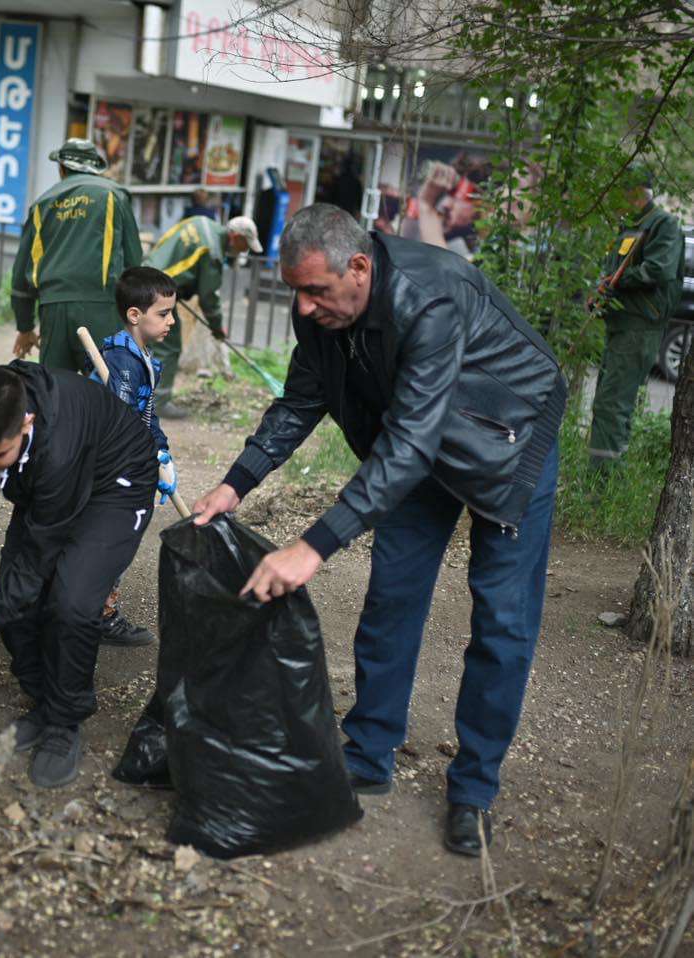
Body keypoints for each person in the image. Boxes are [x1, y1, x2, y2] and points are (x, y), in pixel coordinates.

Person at [192, 204, 567, 857]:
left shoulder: (431, 299)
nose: (304, 308)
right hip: (418, 444)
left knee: (503, 623)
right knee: (392, 594)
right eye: (295, 292)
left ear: (360, 268)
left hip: (508, 444)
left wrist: (313, 546)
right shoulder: (321, 311)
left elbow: (411, 445)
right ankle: (369, 752)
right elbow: (302, 401)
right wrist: (235, 483)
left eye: (316, 291)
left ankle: (473, 790)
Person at [0, 362, 157, 788]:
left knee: (72, 602)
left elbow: (42, 546)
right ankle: (45, 702)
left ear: (28, 421)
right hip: (50, 485)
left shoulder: (58, 442)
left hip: (116, 481)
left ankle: (64, 723)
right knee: (17, 603)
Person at [87, 266, 179, 646]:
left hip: (125, 462)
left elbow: (145, 412)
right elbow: (122, 422)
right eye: (164, 313)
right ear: (134, 315)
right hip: (106, 470)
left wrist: (162, 450)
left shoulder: (140, 354)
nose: (172, 321)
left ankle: (92, 607)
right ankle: (98, 614)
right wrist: (146, 459)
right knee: (112, 538)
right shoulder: (123, 362)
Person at [9, 139, 143, 373]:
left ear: (61, 168)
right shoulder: (114, 195)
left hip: (52, 309)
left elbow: (21, 274)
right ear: (95, 168)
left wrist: (25, 327)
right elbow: (134, 262)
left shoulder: (41, 204)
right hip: (102, 307)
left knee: (57, 392)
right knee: (107, 390)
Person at [588, 168, 684, 472]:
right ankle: (606, 479)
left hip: (639, 327)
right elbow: (613, 275)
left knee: (612, 405)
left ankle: (601, 486)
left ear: (635, 192)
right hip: (619, 325)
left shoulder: (662, 225)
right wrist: (602, 291)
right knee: (608, 402)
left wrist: (617, 281)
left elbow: (658, 270)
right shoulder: (629, 227)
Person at [144, 214, 263, 418]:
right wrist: (217, 328)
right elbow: (209, 297)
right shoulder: (213, 251)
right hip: (156, 291)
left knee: (145, 343)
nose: (245, 250)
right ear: (235, 236)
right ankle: (159, 403)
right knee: (169, 345)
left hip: (146, 276)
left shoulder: (200, 222)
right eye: (246, 244)